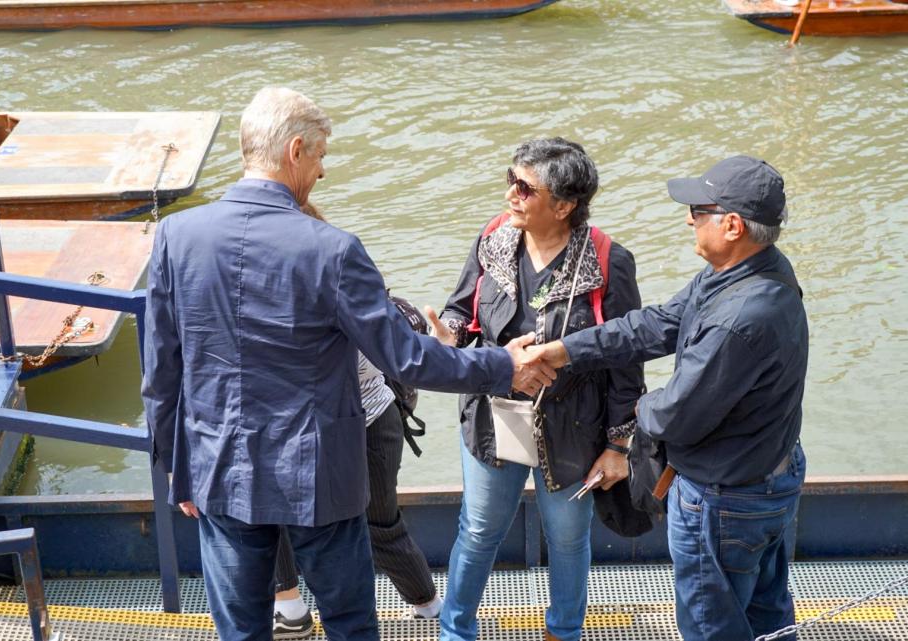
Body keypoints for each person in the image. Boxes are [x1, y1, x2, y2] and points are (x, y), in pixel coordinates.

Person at [141, 87, 555, 641]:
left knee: (239, 627)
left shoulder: (176, 236)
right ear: (294, 151)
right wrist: (499, 365)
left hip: (219, 466)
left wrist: (174, 464)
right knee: (350, 623)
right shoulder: (331, 249)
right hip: (316, 476)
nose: (321, 173)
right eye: (319, 157)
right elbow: (405, 357)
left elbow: (161, 370)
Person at [526, 155, 808, 641]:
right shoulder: (751, 272)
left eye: (699, 210)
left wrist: (638, 409)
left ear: (733, 225)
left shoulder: (740, 317)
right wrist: (567, 349)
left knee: (709, 625)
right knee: (768, 616)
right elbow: (654, 325)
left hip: (725, 498)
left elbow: (676, 415)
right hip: (770, 474)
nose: (688, 219)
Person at [425, 138, 645, 641]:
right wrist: (449, 338)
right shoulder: (493, 237)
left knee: (567, 540)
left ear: (564, 205)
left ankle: (563, 632)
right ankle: (456, 632)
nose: (511, 195)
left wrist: (617, 446)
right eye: (510, 181)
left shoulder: (608, 262)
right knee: (478, 532)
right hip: (493, 417)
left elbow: (626, 361)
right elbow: (463, 310)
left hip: (573, 429)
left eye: (524, 187)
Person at [269, 204, 442, 640]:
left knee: (377, 523)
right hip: (322, 424)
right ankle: (290, 608)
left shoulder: (334, 279)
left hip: (365, 421)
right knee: (273, 512)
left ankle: (427, 604)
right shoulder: (330, 273)